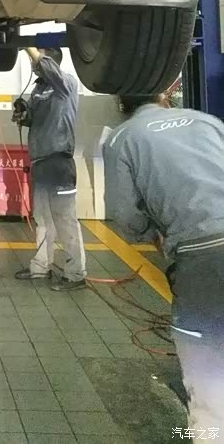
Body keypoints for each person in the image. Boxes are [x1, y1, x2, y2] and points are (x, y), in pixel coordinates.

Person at [106, 95, 224, 430]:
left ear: (120, 103)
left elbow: (126, 216)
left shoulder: (122, 138)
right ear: (164, 95)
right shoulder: (207, 121)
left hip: (200, 258)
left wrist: (152, 235)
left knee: (210, 390)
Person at [12, 47, 87, 290]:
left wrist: (27, 46)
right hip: (40, 161)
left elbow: (45, 65)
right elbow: (34, 118)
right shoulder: (38, 89)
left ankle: (76, 275)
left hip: (59, 161)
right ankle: (40, 267)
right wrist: (23, 113)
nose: (33, 63)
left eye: (37, 58)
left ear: (50, 61)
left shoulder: (66, 84)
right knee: (43, 218)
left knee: (65, 219)